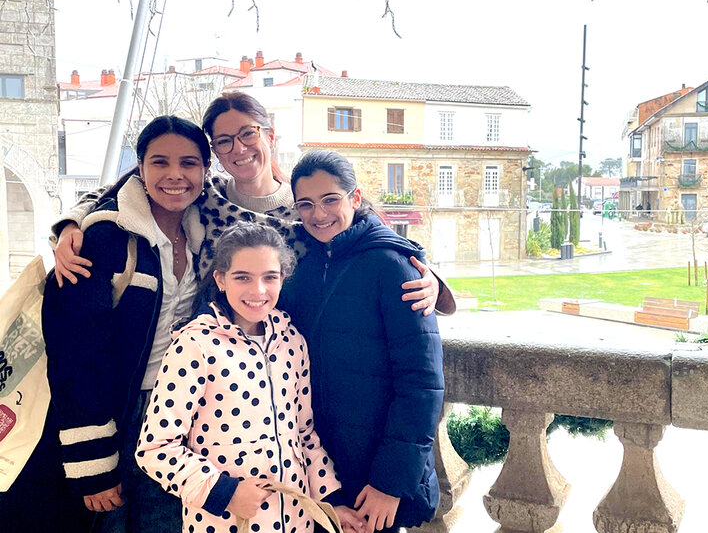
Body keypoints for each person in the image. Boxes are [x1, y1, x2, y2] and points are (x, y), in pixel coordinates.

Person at [51, 91, 451, 315]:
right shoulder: (204, 197)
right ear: (214, 153)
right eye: (223, 141)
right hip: (206, 363)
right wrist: (72, 224)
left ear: (269, 136)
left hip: (292, 358)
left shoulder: (307, 207)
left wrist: (429, 276)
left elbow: (370, 230)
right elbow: (126, 188)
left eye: (248, 134)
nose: (238, 148)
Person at [40, 115, 212, 533]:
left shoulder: (207, 229)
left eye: (189, 163)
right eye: (160, 162)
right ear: (139, 167)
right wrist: (93, 465)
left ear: (205, 172)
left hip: (180, 413)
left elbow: (269, 198)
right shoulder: (103, 239)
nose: (175, 175)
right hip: (115, 412)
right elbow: (73, 356)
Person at [135, 222, 364, 533]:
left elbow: (304, 434)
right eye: (243, 277)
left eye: (270, 277)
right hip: (222, 523)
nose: (258, 290)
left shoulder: (292, 342)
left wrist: (331, 503)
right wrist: (225, 493)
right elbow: (155, 448)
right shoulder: (194, 345)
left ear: (283, 279)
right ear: (221, 279)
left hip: (298, 521)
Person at [282, 150, 444, 533]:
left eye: (330, 200)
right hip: (320, 471)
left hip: (376, 476)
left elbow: (421, 383)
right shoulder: (302, 267)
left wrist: (390, 482)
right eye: (306, 204)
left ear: (355, 198)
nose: (318, 214)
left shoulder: (393, 266)